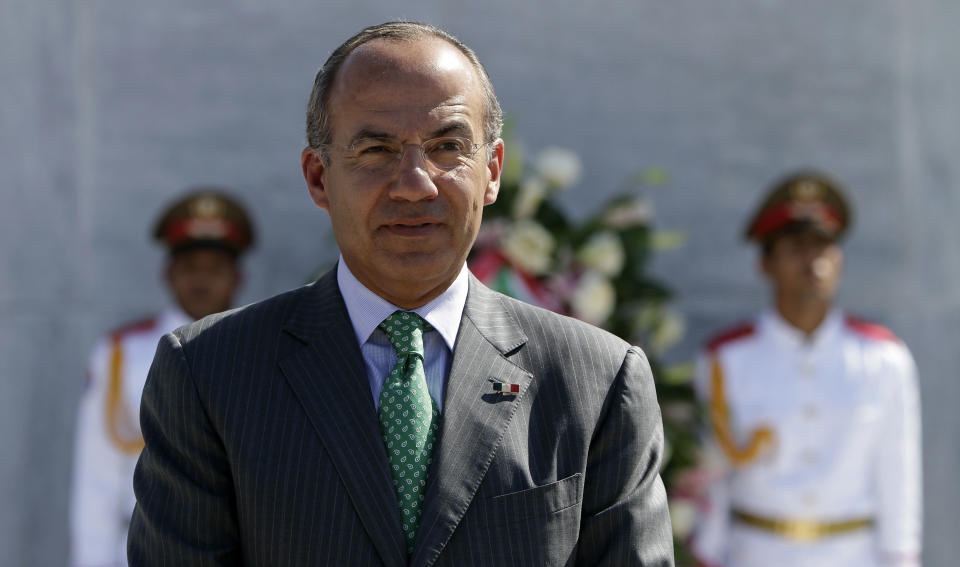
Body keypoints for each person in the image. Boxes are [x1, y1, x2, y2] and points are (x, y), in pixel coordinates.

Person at [127, 21, 673, 566]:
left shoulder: (596, 380)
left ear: (492, 171)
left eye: (447, 146)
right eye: (376, 149)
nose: (415, 183)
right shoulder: (210, 374)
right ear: (319, 176)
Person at [690, 171, 922, 567]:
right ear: (765, 263)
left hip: (852, 554)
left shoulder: (883, 358)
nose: (813, 260)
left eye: (823, 246)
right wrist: (703, 554)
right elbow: (711, 478)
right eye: (797, 246)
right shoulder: (726, 358)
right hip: (756, 552)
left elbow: (899, 477)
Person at [69, 189, 255, 567]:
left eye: (215, 269)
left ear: (236, 276)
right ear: (169, 274)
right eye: (190, 268)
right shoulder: (123, 353)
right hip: (141, 546)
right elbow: (98, 476)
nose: (201, 281)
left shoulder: (262, 350)